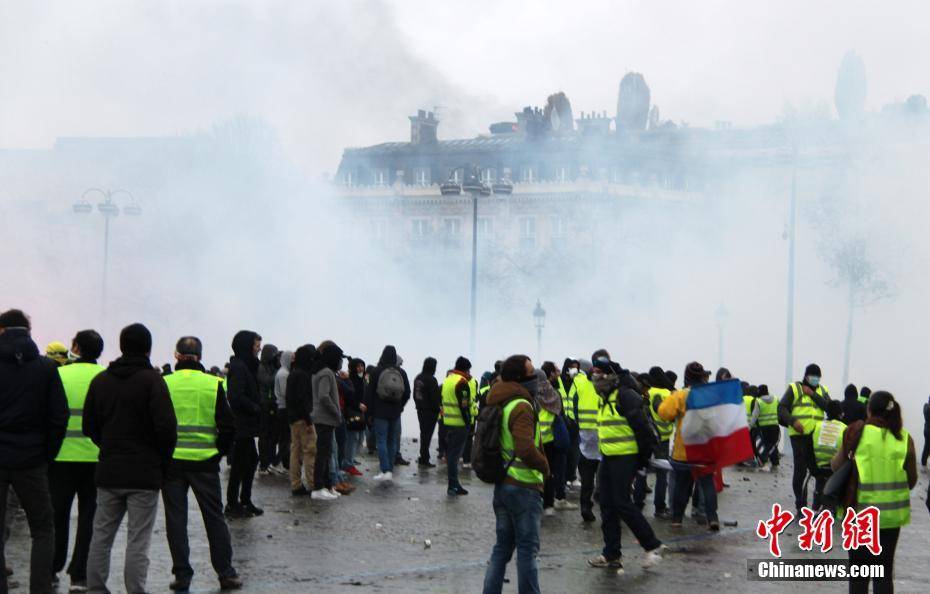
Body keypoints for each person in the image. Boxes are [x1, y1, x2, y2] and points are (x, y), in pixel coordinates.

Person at [83, 323, 178, 594]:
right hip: (144, 474)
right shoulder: (152, 381)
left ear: (121, 346)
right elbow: (166, 428)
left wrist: (109, 445)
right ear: (148, 348)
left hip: (109, 470)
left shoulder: (101, 381)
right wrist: (161, 460)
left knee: (101, 536)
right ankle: (135, 590)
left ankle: (96, 588)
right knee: (138, 540)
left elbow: (89, 425)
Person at [161, 337, 241, 591]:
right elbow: (228, 426)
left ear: (176, 355)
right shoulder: (213, 384)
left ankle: (182, 575)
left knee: (175, 519)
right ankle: (225, 573)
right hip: (205, 462)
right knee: (214, 518)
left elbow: (155, 422)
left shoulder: (164, 383)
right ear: (200, 356)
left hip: (172, 462)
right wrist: (218, 453)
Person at [0, 309, 68, 594]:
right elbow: (58, 416)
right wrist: (46, 454)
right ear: (28, 331)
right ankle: (40, 588)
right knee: (42, 528)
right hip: (32, 460)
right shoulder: (46, 368)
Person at [587, 352, 665, 572]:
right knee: (606, 503)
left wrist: (642, 461)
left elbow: (644, 430)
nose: (595, 377)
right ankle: (611, 554)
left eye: (599, 373)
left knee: (622, 502)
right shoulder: (605, 395)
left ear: (610, 375)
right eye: (593, 374)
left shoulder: (625, 394)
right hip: (608, 457)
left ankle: (652, 546)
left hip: (626, 457)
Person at [831, 390, 916, 594]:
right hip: (890, 519)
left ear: (869, 410)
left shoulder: (855, 432)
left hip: (860, 515)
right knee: (884, 574)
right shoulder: (904, 439)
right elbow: (911, 481)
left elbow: (836, 466)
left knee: (859, 575)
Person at [482, 355, 549, 594]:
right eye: (531, 372)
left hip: (503, 485)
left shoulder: (501, 400)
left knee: (501, 550)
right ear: (520, 377)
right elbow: (525, 448)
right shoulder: (521, 405)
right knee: (527, 552)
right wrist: (544, 466)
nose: (535, 376)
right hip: (523, 486)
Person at [49, 329, 105, 592]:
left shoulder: (59, 375)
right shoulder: (105, 378)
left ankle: (51, 567)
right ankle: (79, 575)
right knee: (89, 518)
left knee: (56, 516)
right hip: (96, 458)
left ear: (75, 347)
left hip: (60, 457)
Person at [660, 361, 721, 530]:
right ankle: (712, 518)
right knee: (708, 484)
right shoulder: (710, 396)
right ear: (702, 376)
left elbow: (664, 413)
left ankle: (677, 519)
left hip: (684, 450)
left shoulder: (681, 395)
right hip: (705, 449)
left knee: (682, 485)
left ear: (686, 376)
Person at [778, 363, 831, 513]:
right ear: (806, 376)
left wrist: (813, 395)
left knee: (820, 471)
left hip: (817, 437)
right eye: (813, 376)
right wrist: (793, 421)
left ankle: (817, 504)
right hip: (799, 436)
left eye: (818, 377)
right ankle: (800, 504)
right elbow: (782, 408)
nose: (816, 379)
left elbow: (829, 407)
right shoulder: (795, 389)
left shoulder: (822, 390)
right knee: (800, 471)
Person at [225, 331, 264, 518]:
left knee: (250, 461)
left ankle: (244, 500)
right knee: (241, 463)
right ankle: (234, 503)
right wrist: (255, 407)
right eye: (256, 346)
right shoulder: (239, 367)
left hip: (248, 424)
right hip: (242, 424)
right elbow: (235, 396)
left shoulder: (248, 366)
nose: (259, 349)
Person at [365, 346, 411, 482]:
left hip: (380, 412)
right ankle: (389, 470)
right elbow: (407, 393)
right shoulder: (401, 372)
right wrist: (400, 407)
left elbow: (369, 392)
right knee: (392, 441)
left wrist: (370, 412)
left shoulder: (377, 371)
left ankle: (385, 470)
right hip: (395, 413)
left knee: (381, 440)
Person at [633, 366, 673, 518]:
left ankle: (638, 503)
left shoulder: (647, 392)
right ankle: (660, 507)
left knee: (641, 471)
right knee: (662, 474)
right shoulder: (667, 393)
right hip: (663, 439)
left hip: (646, 437)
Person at [310, 343, 344, 500]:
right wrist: (336, 412)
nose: (340, 362)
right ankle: (318, 487)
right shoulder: (326, 373)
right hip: (324, 418)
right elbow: (324, 396)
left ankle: (328, 486)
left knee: (326, 452)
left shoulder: (321, 370)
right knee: (323, 454)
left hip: (325, 419)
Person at [539, 363, 574, 515]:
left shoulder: (532, 394)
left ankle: (539, 501)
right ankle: (549, 505)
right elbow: (561, 415)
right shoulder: (554, 394)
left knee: (538, 472)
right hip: (552, 440)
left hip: (536, 440)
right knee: (551, 472)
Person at [286, 345, 317, 496]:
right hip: (302, 419)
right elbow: (302, 399)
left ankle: (296, 484)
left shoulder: (293, 373)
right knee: (310, 450)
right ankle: (312, 484)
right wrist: (309, 421)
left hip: (293, 418)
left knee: (295, 451)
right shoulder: (303, 375)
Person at [441, 357, 473, 496]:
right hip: (460, 424)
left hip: (447, 422)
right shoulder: (461, 382)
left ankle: (454, 484)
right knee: (454, 456)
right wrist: (468, 422)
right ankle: (453, 485)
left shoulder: (448, 380)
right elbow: (464, 405)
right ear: (465, 369)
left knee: (451, 455)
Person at [573, 359, 600, 522]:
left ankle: (586, 506)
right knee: (600, 477)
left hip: (585, 436)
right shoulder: (606, 386)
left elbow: (574, 407)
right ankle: (596, 504)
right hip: (603, 436)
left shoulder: (580, 383)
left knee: (587, 478)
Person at [809, 400, 845, 511]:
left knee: (820, 483)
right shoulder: (844, 428)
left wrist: (812, 467)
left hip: (819, 467)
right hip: (836, 469)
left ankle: (816, 505)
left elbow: (808, 449)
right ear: (840, 414)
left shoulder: (817, 426)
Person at [256, 344, 282, 476]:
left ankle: (271, 463)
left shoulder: (272, 367)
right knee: (265, 436)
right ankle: (263, 464)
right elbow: (267, 381)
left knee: (273, 436)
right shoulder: (261, 367)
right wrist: (279, 370)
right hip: (264, 404)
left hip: (272, 404)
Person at [414, 357, 441, 468]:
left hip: (420, 410)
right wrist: (438, 409)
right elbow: (435, 398)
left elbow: (415, 395)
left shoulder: (418, 378)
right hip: (430, 412)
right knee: (427, 435)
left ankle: (423, 456)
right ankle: (424, 458)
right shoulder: (432, 380)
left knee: (423, 433)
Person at [342, 358, 367, 476]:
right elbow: (349, 397)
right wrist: (358, 404)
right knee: (352, 439)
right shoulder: (350, 380)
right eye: (358, 366)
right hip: (352, 412)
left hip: (360, 412)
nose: (360, 368)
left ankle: (349, 461)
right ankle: (348, 463)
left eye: (362, 366)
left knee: (359, 438)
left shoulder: (361, 380)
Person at [273, 350, 294, 471]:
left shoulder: (285, 372)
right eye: (291, 358)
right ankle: (276, 462)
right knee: (286, 439)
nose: (293, 361)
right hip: (284, 408)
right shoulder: (283, 374)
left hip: (284, 408)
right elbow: (286, 393)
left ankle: (285, 463)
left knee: (285, 439)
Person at [752, 384, 780, 470]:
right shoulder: (776, 399)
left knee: (767, 444)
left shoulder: (759, 401)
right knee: (773, 445)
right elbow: (780, 412)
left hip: (764, 428)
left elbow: (755, 416)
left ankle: (762, 459)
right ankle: (775, 462)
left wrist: (749, 427)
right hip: (775, 426)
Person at [923, 396, 930, 467]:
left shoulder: (925, 406)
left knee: (926, 448)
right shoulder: (928, 410)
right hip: (928, 432)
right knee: (927, 448)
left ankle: (923, 464)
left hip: (926, 430)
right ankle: (923, 464)